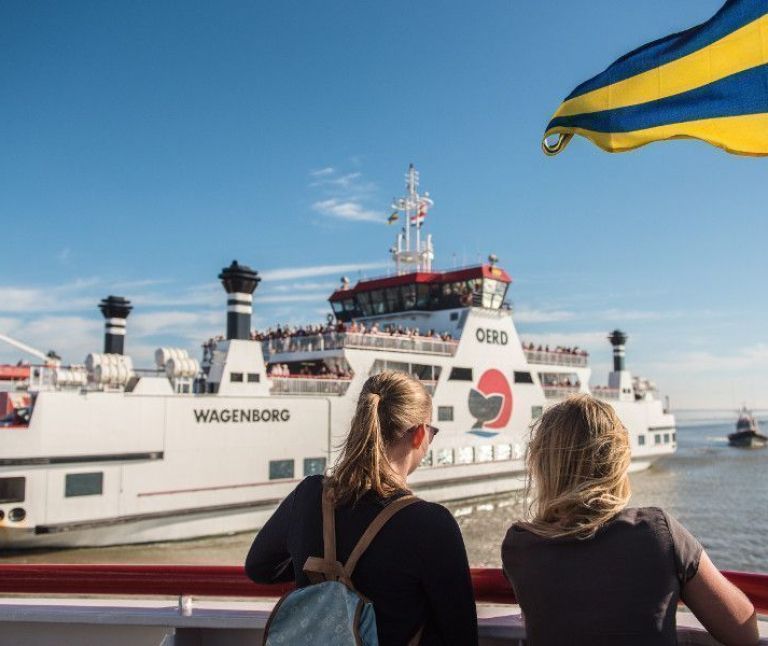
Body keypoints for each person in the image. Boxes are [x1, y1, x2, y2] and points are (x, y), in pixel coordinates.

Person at [501, 394, 758, 646]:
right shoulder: (657, 531)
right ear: (617, 460)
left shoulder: (519, 546)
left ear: (543, 464)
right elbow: (744, 633)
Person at [245, 371, 478, 645]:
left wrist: (318, 574)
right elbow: (462, 635)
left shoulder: (310, 494)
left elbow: (259, 568)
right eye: (431, 432)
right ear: (418, 435)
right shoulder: (431, 524)